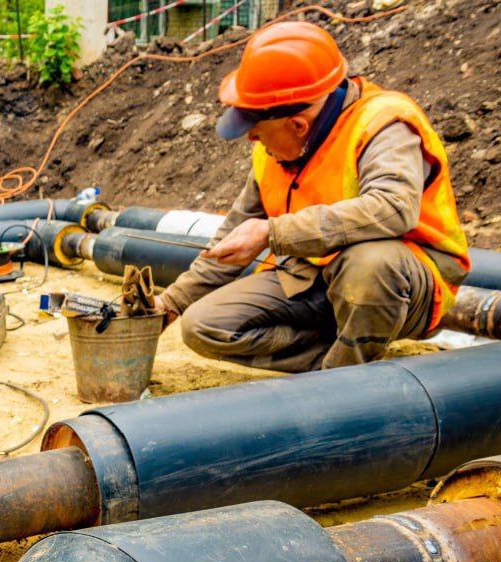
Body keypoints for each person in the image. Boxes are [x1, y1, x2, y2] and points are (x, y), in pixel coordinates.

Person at [154, 21, 470, 372]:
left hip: (406, 284)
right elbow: (232, 235)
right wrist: (169, 303)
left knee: (370, 264)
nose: (252, 142)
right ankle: (338, 363)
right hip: (315, 277)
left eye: (257, 134)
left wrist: (272, 233)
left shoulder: (382, 124)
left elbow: (394, 208)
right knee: (204, 325)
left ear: (298, 124)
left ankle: (342, 385)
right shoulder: (274, 151)